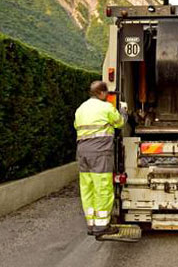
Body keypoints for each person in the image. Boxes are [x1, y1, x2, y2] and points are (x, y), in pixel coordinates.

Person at [74, 80, 124, 238]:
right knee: (102, 189)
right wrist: (123, 111)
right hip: (100, 153)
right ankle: (102, 226)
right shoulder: (106, 107)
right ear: (101, 93)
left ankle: (91, 224)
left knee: (87, 188)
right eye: (107, 94)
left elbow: (77, 127)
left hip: (82, 152)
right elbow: (120, 123)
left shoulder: (80, 109)